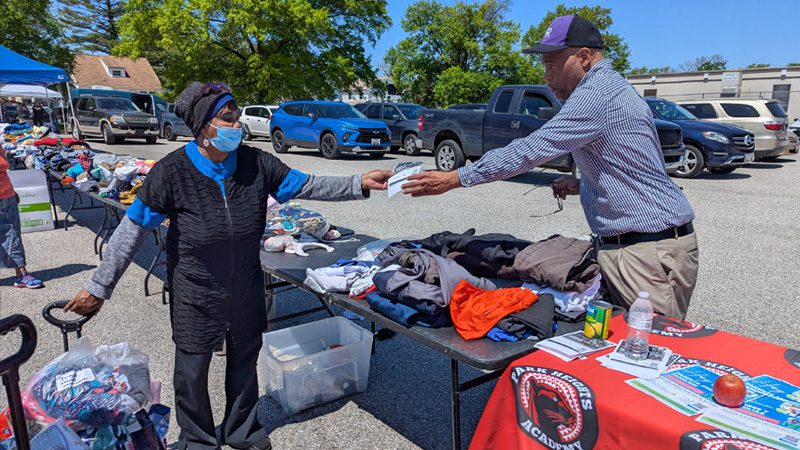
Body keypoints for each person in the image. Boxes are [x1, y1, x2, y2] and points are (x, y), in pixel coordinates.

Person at [64, 81, 393, 450]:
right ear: (203, 127)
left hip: (245, 284)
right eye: (227, 117)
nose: (237, 123)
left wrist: (358, 181)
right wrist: (99, 287)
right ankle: (198, 440)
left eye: (236, 114)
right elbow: (133, 230)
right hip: (195, 288)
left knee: (243, 362)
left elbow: (307, 184)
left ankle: (242, 430)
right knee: (191, 370)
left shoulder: (256, 162)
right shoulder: (171, 173)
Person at [401, 15, 699, 320]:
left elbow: (530, 150)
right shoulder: (613, 87)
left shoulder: (596, 95)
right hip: (642, 245)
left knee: (650, 347)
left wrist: (454, 178)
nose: (546, 76)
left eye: (552, 64)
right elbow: (636, 168)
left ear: (584, 56)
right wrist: (584, 185)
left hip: (647, 251)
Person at [0, 150, 44, 288]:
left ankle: (21, 273)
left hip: (7, 196)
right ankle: (21, 274)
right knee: (10, 233)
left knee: (13, 233)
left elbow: (3, 172)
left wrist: (13, 190)